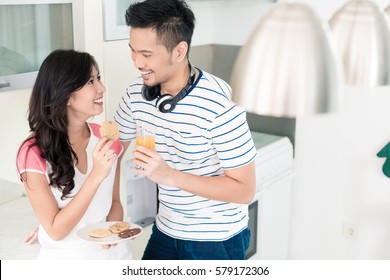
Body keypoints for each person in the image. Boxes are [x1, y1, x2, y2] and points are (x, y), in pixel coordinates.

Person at [114, 0, 257, 260]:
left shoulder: (220, 103)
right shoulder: (136, 94)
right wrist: (110, 206)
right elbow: (112, 151)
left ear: (179, 51)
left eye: (146, 55)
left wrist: (170, 176)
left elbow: (244, 190)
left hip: (216, 240)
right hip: (166, 230)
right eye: (133, 51)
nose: (136, 62)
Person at [16, 49, 134, 260]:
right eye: (90, 82)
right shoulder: (32, 153)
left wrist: (114, 232)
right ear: (65, 95)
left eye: (98, 78)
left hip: (114, 257)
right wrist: (96, 175)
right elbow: (55, 230)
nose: (102, 88)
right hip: (67, 261)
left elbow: (114, 202)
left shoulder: (107, 139)